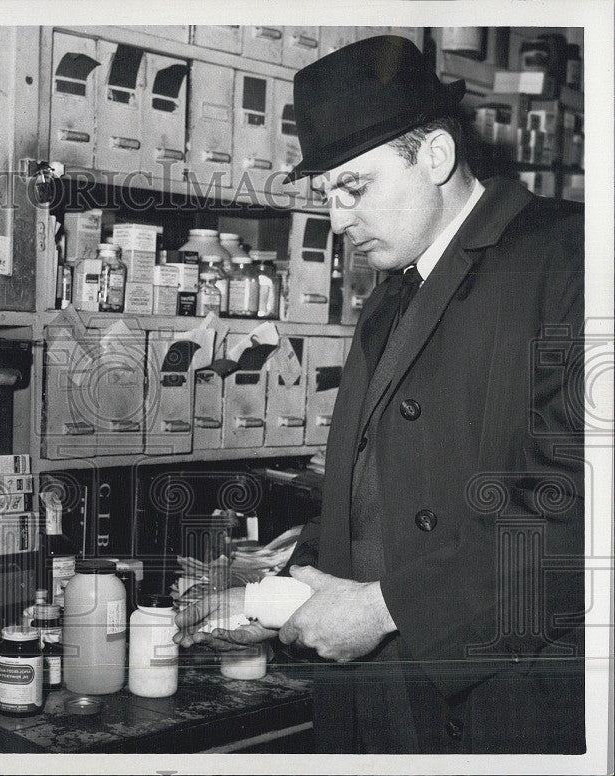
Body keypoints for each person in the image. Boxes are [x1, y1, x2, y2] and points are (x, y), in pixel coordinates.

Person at [175, 34, 585, 754]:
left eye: (353, 188)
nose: (336, 222)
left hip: (503, 700)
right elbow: (413, 481)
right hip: (386, 702)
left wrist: (387, 606)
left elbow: (579, 509)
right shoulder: (394, 293)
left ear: (435, 157)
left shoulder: (570, 259)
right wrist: (282, 576)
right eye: (326, 194)